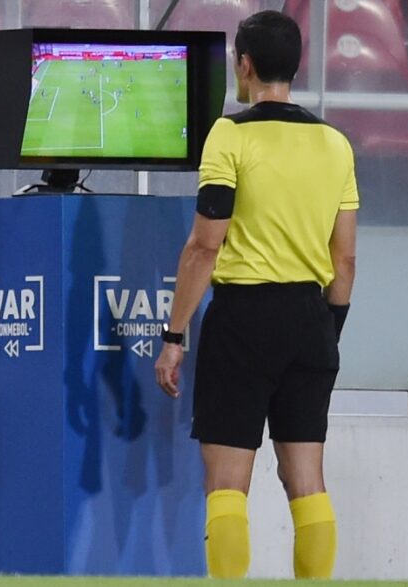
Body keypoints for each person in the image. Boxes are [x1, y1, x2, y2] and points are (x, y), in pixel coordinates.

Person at [154, 10, 358, 581]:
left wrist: (174, 337)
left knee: (226, 484)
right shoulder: (335, 144)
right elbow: (344, 258)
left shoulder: (230, 134)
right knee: (306, 480)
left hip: (244, 317)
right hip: (311, 318)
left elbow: (204, 245)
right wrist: (327, 328)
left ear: (244, 65)